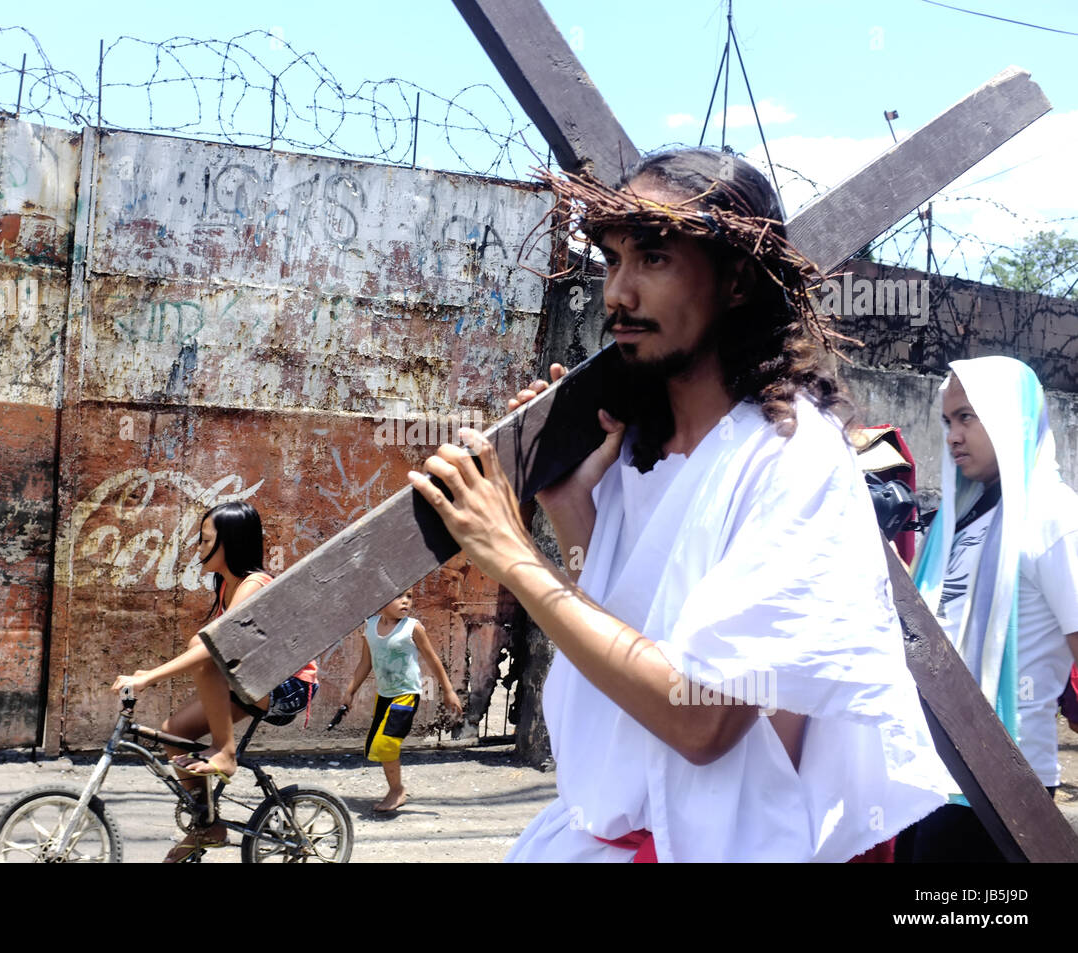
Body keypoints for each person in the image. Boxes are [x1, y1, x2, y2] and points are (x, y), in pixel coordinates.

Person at [407, 148, 952, 861]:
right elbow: (633, 634)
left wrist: (512, 557)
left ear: (736, 279)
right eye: (613, 259)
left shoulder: (791, 457)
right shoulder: (644, 452)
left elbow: (703, 720)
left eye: (655, 259)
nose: (618, 294)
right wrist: (569, 511)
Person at [902, 357, 1078, 862]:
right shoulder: (960, 519)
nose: (953, 436)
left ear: (1011, 418)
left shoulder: (1053, 516)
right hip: (933, 776)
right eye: (947, 421)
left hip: (1005, 785)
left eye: (968, 417)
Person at [110, 501, 317, 861]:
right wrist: (150, 675)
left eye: (206, 542)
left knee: (206, 651)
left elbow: (211, 649)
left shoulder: (255, 584)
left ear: (230, 544)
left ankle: (226, 752)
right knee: (174, 733)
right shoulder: (227, 585)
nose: (199, 549)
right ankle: (207, 827)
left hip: (289, 687)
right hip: (253, 682)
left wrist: (151, 678)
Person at [340, 589, 463, 813]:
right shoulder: (370, 627)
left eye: (409, 596)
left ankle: (397, 791)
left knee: (386, 744)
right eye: (399, 596)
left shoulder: (412, 627)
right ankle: (395, 788)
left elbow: (432, 659)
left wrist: (448, 690)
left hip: (407, 694)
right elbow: (365, 663)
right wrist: (350, 692)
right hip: (384, 695)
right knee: (375, 748)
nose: (406, 601)